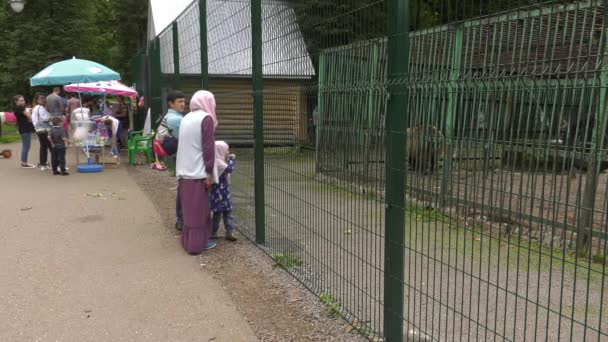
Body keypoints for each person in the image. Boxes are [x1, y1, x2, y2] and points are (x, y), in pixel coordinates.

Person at [176, 90, 217, 254]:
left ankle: (188, 240)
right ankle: (197, 244)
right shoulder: (206, 119)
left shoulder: (186, 118)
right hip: (198, 172)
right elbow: (208, 148)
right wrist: (209, 172)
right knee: (199, 210)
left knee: (190, 210)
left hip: (184, 171)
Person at [157, 90, 186, 231]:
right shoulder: (176, 119)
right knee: (184, 187)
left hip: (176, 154)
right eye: (180, 101)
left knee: (183, 186)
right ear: (171, 103)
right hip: (180, 155)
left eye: (184, 101)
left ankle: (181, 219)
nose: (183, 104)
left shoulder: (171, 116)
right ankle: (181, 219)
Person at [209, 141, 237, 241]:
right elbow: (230, 169)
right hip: (221, 193)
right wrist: (232, 159)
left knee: (218, 213)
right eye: (226, 150)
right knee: (227, 213)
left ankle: (215, 232)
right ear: (220, 151)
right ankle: (229, 232)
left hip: (218, 192)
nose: (227, 152)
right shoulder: (219, 162)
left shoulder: (214, 160)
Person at [13, 95, 36, 168]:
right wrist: (30, 115)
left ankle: (24, 162)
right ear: (16, 101)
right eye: (21, 101)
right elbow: (29, 116)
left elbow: (28, 117)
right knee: (26, 146)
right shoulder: (20, 108)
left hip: (23, 128)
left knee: (26, 145)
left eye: (23, 100)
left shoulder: (18, 108)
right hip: (24, 128)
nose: (23, 102)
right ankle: (24, 163)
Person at [31, 94, 52, 170]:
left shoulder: (35, 108)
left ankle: (43, 165)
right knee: (51, 146)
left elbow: (34, 120)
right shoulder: (40, 108)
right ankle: (56, 164)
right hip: (45, 130)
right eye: (41, 98)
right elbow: (45, 118)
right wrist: (52, 117)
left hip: (39, 129)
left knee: (43, 146)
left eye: (44, 98)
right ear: (37, 100)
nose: (43, 99)